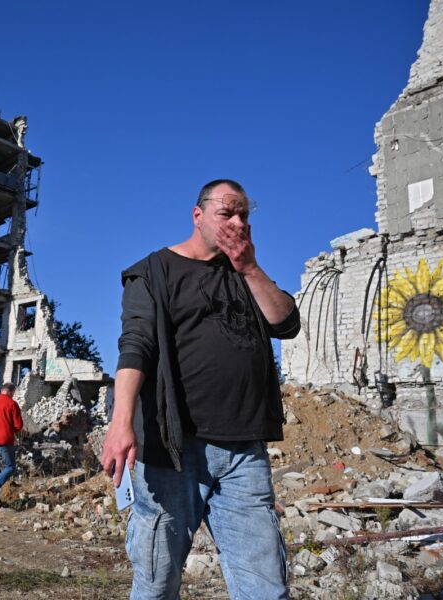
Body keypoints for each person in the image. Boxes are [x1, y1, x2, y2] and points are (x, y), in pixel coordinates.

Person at [101, 179, 300, 599]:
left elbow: (286, 323)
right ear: (198, 215)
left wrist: (248, 267)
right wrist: (121, 423)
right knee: (157, 583)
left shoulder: (245, 274)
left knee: (266, 588)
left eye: (244, 213)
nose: (237, 222)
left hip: (244, 451)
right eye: (227, 212)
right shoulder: (153, 270)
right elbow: (135, 345)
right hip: (173, 452)